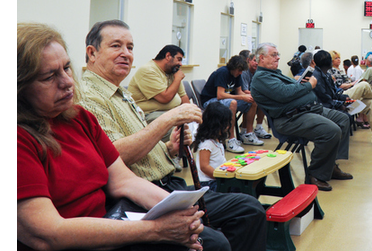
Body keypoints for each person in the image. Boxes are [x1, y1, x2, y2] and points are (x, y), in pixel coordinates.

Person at [80, 20, 267, 251]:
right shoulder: (90, 98)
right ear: (92, 53)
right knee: (216, 242)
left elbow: (148, 135)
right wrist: (169, 118)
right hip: (139, 197)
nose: (126, 54)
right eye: (116, 46)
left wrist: (169, 147)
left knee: (249, 209)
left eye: (130, 47)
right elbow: (113, 157)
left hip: (169, 186)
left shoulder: (121, 93)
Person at [17, 23, 205, 251]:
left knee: (211, 239)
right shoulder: (19, 139)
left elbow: (124, 180)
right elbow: (49, 235)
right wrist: (158, 229)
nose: (67, 82)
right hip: (82, 239)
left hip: (112, 220)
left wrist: (184, 213)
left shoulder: (80, 118)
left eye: (66, 68)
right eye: (49, 76)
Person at [250, 43, 353, 192]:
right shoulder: (261, 78)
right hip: (290, 118)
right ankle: (315, 175)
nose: (278, 57)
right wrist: (309, 85)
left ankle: (330, 166)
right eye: (274, 55)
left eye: (277, 54)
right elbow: (285, 94)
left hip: (307, 110)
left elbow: (288, 89)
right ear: (261, 58)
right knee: (331, 131)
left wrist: (298, 82)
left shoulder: (274, 73)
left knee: (343, 119)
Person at [315, 50, 372, 145]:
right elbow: (334, 91)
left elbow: (335, 91)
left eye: (339, 58)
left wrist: (350, 85)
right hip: (339, 100)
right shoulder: (327, 74)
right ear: (330, 61)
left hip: (342, 95)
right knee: (364, 84)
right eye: (335, 58)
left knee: (370, 103)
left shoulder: (333, 72)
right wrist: (349, 87)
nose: (338, 60)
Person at [199, 55, 264, 153]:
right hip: (210, 101)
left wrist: (247, 97)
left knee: (252, 100)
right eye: (239, 70)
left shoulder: (237, 75)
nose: (241, 73)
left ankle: (248, 134)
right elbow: (220, 95)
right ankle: (230, 139)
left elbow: (239, 92)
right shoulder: (222, 72)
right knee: (233, 103)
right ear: (233, 68)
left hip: (225, 99)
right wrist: (242, 97)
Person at [127, 44, 190, 142]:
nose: (181, 64)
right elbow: (165, 98)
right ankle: (173, 155)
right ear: (168, 56)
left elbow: (184, 97)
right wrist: (177, 79)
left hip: (170, 112)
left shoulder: (173, 72)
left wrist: (189, 115)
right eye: (179, 59)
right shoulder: (148, 70)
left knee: (197, 127)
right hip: (148, 115)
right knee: (179, 132)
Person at [192, 101, 233, 192]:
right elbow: (204, 167)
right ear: (214, 125)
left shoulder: (216, 140)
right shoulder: (207, 143)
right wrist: (221, 176)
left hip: (217, 179)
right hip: (209, 184)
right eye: (225, 124)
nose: (227, 127)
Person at [238, 50, 272, 139]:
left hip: (251, 95)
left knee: (264, 98)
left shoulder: (258, 72)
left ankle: (258, 127)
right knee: (254, 100)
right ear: (248, 60)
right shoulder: (244, 72)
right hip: (241, 95)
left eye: (258, 61)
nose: (256, 63)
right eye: (254, 60)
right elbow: (244, 90)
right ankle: (245, 131)